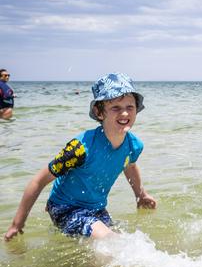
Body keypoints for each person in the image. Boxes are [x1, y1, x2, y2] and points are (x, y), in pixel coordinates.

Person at [4, 72, 157, 241]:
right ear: (99, 112)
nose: (125, 114)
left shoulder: (133, 145)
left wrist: (141, 194)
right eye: (116, 108)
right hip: (65, 208)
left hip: (97, 209)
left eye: (130, 107)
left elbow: (129, 165)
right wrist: (17, 223)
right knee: (109, 240)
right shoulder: (80, 148)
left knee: (123, 241)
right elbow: (39, 180)